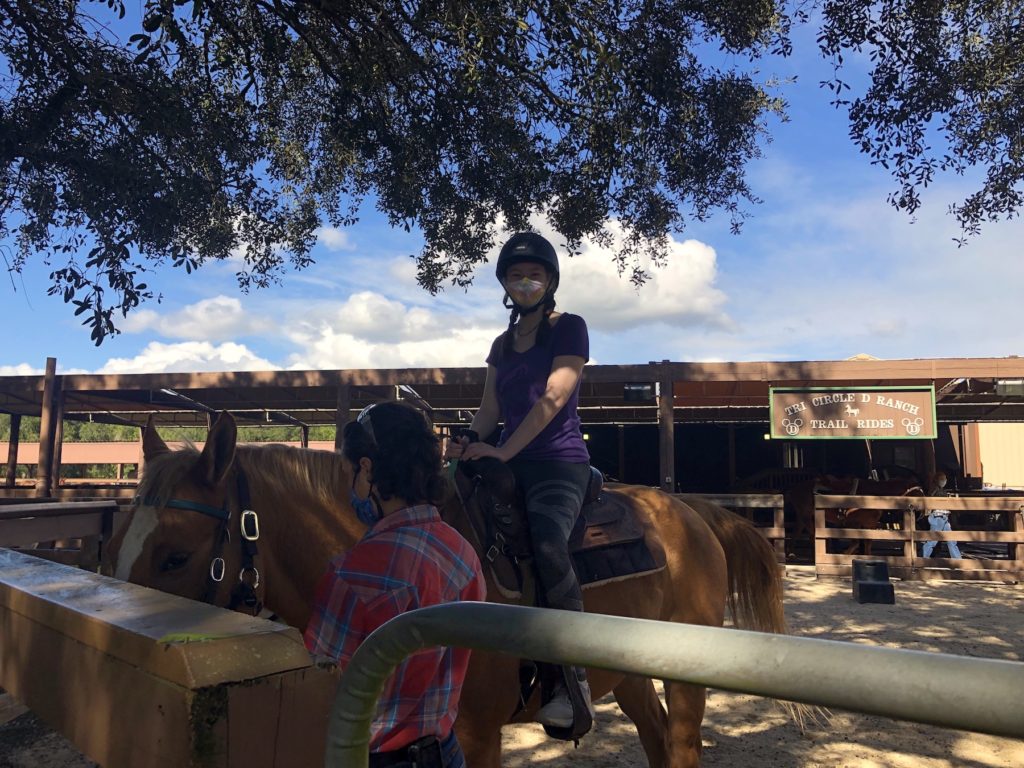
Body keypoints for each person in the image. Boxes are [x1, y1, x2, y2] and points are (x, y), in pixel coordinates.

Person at [445, 231, 594, 731]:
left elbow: (553, 397)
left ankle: (572, 677)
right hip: (507, 461)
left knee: (549, 543)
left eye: (533, 274)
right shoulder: (501, 344)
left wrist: (503, 449)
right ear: (505, 285)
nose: (525, 282)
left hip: (559, 462)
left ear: (550, 281)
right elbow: (491, 409)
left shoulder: (569, 328)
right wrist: (468, 440)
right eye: (515, 275)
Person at [304, 401, 486, 768]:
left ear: (367, 469)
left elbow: (317, 690)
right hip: (446, 752)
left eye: (352, 471)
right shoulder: (463, 553)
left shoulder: (351, 573)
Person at [922, 470, 963, 559]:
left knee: (951, 540)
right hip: (937, 517)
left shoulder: (943, 491)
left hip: (944, 517)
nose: (944, 481)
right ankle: (924, 558)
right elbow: (930, 498)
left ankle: (957, 559)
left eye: (945, 479)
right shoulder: (934, 489)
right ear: (937, 480)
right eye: (941, 479)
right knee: (932, 540)